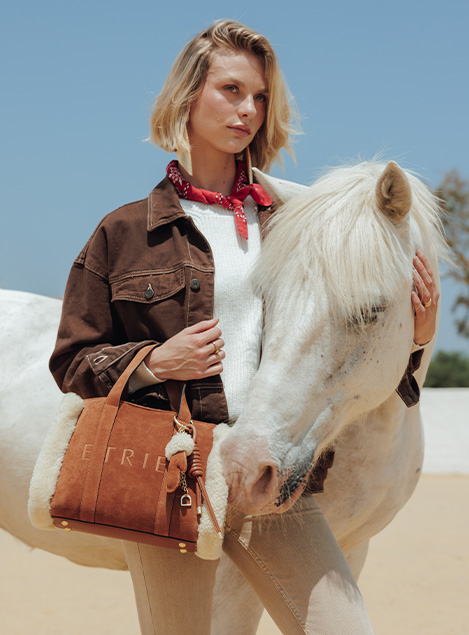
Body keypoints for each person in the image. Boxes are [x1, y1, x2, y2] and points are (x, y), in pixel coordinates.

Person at [50, 20, 438, 635]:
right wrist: (155, 361)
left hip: (267, 468)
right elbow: (72, 362)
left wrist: (417, 337)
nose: (249, 110)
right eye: (231, 90)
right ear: (188, 95)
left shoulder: (297, 221)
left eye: (260, 96)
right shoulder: (124, 231)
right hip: (170, 475)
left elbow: (342, 339)